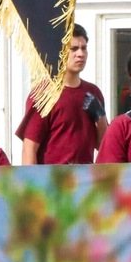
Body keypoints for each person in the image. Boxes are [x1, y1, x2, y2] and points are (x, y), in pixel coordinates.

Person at [17, 24, 105, 165]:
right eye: (73, 49)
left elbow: (104, 147)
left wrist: (101, 118)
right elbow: (29, 149)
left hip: (85, 180)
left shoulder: (93, 92)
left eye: (84, 48)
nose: (80, 54)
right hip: (52, 182)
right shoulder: (44, 93)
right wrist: (31, 185)